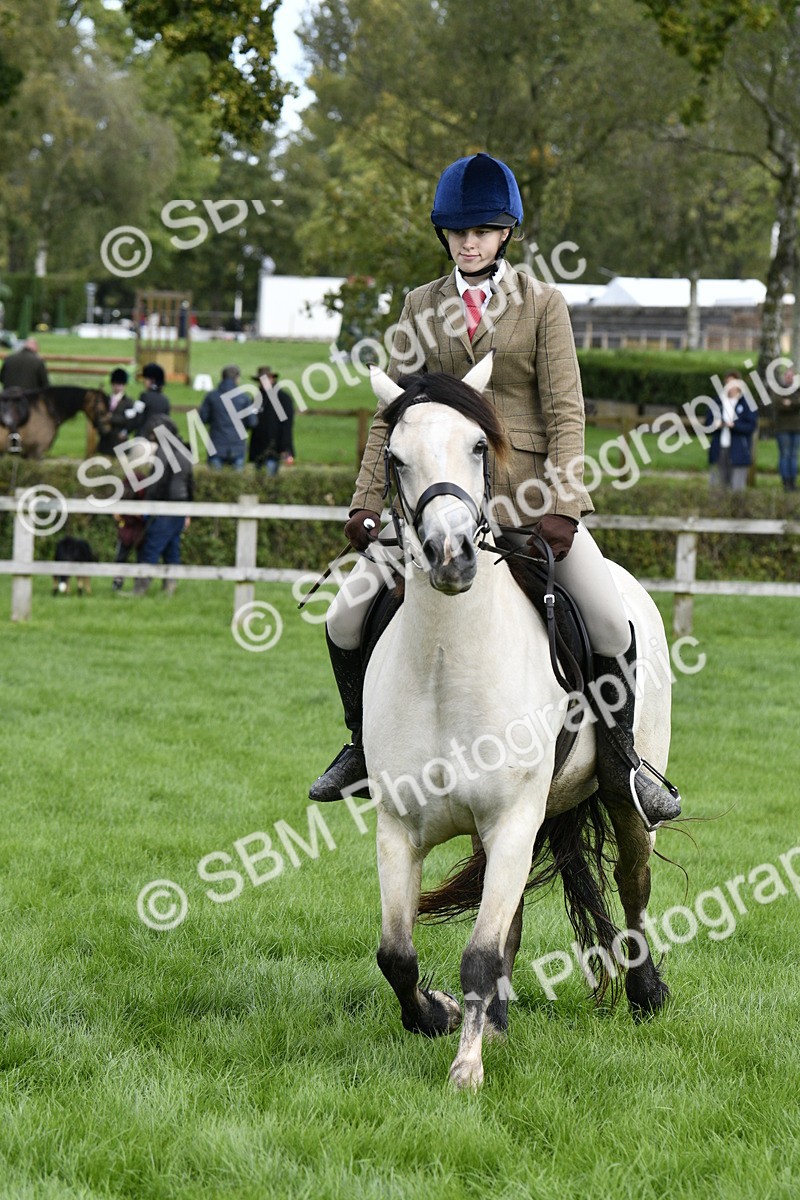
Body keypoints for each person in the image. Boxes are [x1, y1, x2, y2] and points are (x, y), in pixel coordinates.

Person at [307, 151, 681, 831]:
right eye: (457, 231)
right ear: (444, 235)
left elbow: (568, 411)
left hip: (530, 504)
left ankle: (624, 760)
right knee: (342, 615)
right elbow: (390, 413)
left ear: (505, 231)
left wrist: (565, 505)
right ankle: (364, 746)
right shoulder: (420, 306)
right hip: (435, 508)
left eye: (481, 229)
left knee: (607, 619)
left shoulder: (542, 304)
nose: (469, 242)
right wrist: (365, 501)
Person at [130, 415, 193, 596]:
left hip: (166, 506)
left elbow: (158, 483)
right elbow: (190, 484)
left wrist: (148, 506)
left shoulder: (164, 451)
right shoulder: (185, 450)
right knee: (171, 549)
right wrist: (189, 511)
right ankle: (169, 588)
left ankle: (140, 588)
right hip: (180, 506)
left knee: (151, 546)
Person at [706, 370, 757, 491]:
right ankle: (717, 510)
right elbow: (708, 424)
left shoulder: (747, 403)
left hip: (739, 449)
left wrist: (734, 425)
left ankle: (737, 510)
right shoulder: (718, 402)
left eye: (733, 383)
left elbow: (751, 426)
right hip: (720, 448)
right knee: (717, 487)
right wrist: (717, 425)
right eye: (727, 383)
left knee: (737, 488)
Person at [198, 365, 256, 469]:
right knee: (237, 482)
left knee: (215, 482)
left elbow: (203, 418)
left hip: (216, 444)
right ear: (237, 378)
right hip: (237, 444)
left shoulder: (211, 396)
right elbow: (252, 422)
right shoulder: (244, 398)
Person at [249, 366, 295, 475]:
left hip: (275, 448)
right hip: (258, 448)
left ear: (272, 379)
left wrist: (285, 448)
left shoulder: (282, 398)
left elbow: (286, 425)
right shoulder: (257, 399)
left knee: (271, 477)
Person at [772, 364, 800, 491]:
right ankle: (786, 482)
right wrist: (794, 403)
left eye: (791, 376)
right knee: (785, 454)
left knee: (793, 455)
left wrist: (790, 402)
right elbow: (778, 405)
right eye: (787, 375)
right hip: (782, 429)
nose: (789, 378)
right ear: (784, 377)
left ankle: (792, 482)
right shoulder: (778, 390)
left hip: (797, 428)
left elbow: (790, 404)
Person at [123, 362, 171, 435]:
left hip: (144, 437)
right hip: (160, 438)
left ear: (152, 380)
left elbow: (137, 417)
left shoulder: (144, 396)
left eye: (145, 379)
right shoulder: (165, 400)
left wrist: (126, 431)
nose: (144, 381)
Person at [97, 367, 136, 454]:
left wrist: (111, 418)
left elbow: (129, 420)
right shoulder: (105, 400)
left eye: (121, 384)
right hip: (105, 441)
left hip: (120, 441)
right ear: (112, 384)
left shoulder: (128, 402)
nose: (118, 387)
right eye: (116, 384)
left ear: (125, 385)